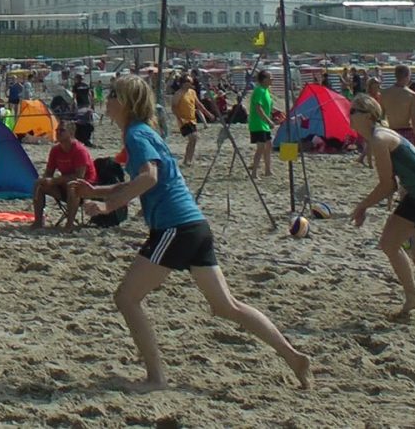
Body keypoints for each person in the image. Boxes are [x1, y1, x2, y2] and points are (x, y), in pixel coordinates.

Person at [74, 75, 312, 392]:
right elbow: (138, 180)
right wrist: (97, 192)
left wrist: (109, 206)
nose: (107, 100)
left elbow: (148, 178)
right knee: (227, 306)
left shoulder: (136, 134)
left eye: (113, 95)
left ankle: (156, 379)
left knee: (126, 298)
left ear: (126, 103)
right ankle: (294, 356)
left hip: (174, 228)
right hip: (194, 226)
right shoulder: (144, 133)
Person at [348, 93, 415, 330]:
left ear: (368, 116)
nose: (349, 116)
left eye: (352, 112)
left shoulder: (379, 138)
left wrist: (362, 206)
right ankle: (412, 298)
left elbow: (388, 185)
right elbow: (394, 183)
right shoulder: (377, 138)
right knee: (389, 243)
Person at [33, 120, 95, 229]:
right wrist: (44, 180)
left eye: (62, 130)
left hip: (86, 187)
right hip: (64, 185)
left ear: (71, 133)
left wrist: (54, 181)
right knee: (40, 186)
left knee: (73, 187)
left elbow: (79, 177)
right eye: (57, 130)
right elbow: (49, 173)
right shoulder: (55, 150)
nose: (58, 133)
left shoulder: (79, 150)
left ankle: (69, 224)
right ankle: (38, 221)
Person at [379, 65, 415, 151]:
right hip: (406, 132)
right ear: (408, 76)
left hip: (391, 132)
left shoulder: (384, 93)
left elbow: (381, 117)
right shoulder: (412, 95)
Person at [246, 71, 276, 179]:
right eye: (270, 77)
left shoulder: (266, 91)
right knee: (261, 147)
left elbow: (267, 107)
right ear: (264, 79)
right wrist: (268, 121)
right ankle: (254, 173)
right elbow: (258, 108)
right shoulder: (259, 90)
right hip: (258, 123)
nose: (272, 79)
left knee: (268, 146)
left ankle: (268, 170)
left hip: (264, 124)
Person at [173, 76, 202, 167]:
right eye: (190, 81)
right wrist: (179, 118)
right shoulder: (178, 93)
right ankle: (186, 160)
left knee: (194, 140)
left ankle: (189, 159)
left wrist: (209, 114)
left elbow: (198, 104)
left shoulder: (192, 92)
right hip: (184, 120)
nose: (191, 83)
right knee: (193, 137)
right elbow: (174, 107)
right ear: (184, 83)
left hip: (192, 119)